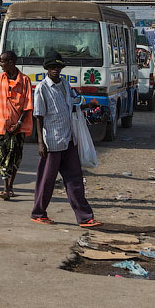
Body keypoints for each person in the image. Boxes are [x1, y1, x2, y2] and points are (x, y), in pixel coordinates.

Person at [31, 51, 100, 227]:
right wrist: (40, 142)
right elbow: (38, 116)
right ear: (47, 68)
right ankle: (39, 212)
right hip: (52, 142)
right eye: (53, 67)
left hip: (68, 139)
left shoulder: (65, 85)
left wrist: (87, 105)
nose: (56, 70)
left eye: (59, 67)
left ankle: (85, 217)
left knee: (75, 178)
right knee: (46, 180)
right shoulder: (42, 88)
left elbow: (71, 106)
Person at [0, 50, 33, 200]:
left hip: (18, 128)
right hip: (1, 126)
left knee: (15, 157)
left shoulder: (25, 81)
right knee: (3, 157)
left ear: (11, 63)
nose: (0, 64)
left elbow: (28, 105)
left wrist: (19, 123)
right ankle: (5, 188)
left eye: (2, 62)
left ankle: (10, 186)